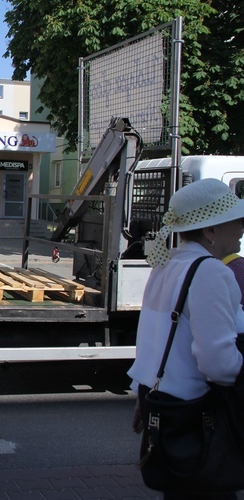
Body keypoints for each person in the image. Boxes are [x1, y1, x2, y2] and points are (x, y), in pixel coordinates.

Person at [128, 178, 244, 499]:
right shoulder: (211, 271)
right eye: (236, 220)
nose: (242, 228)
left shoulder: (168, 265)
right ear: (211, 231)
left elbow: (152, 338)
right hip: (198, 418)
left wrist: (144, 393)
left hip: (167, 410)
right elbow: (218, 364)